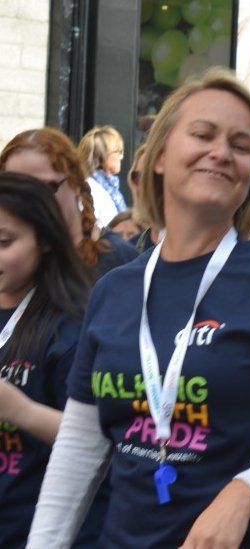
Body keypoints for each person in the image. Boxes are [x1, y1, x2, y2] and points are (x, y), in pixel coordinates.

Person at [27, 68, 250, 548]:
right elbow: (81, 446)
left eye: (241, 146)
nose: (221, 152)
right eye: (203, 135)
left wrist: (244, 494)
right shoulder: (114, 291)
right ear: (159, 156)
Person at [0, 174, 100, 548]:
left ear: (43, 240)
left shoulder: (71, 328)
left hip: (36, 530)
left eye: (4, 242)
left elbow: (98, 438)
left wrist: (20, 409)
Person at [1, 128, 139, 278]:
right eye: (14, 189)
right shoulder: (12, 266)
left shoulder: (116, 258)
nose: (32, 198)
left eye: (47, 187)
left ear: (75, 184)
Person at [78, 126, 128, 227]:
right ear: (103, 155)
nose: (121, 157)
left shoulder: (110, 188)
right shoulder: (89, 188)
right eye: (118, 152)